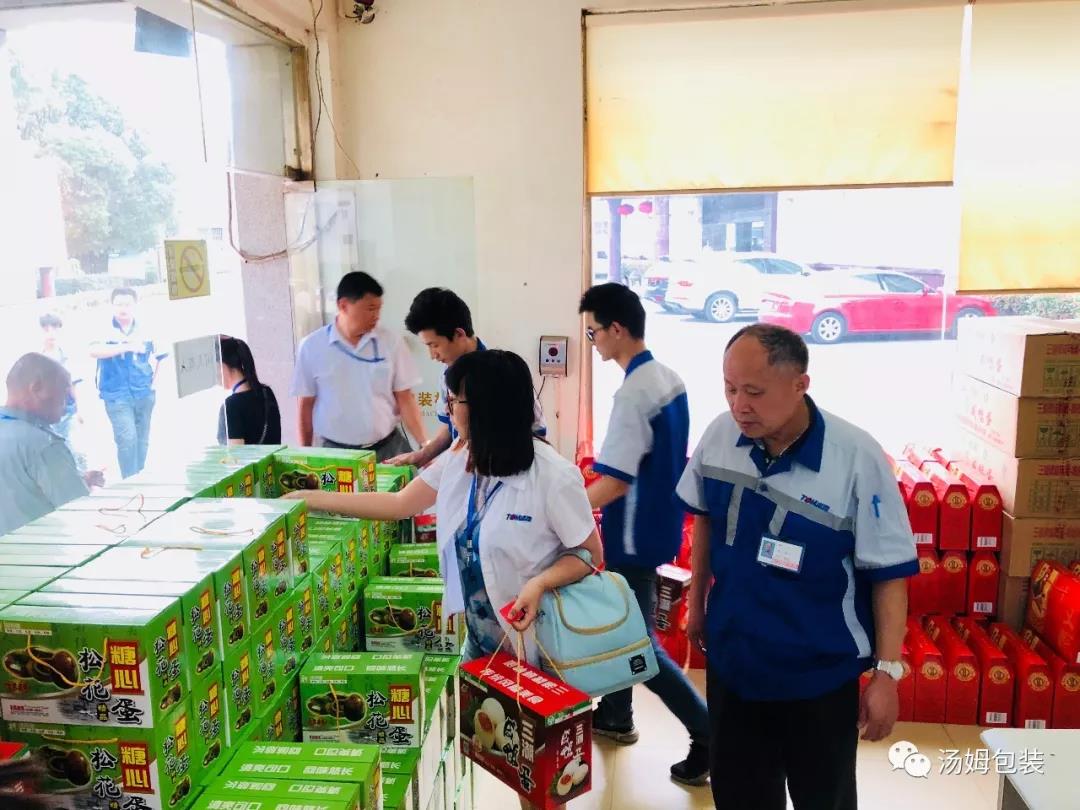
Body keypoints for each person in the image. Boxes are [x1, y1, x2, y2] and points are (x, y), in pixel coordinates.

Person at [676, 324, 917, 810]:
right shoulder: (721, 436)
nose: (739, 405)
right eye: (729, 388)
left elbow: (889, 573)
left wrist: (886, 674)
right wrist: (697, 604)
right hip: (735, 664)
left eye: (754, 392)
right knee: (740, 797)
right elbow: (705, 521)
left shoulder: (855, 458)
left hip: (818, 676)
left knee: (822, 798)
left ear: (799, 384)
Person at [285, 349, 603, 668]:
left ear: (485, 408)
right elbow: (399, 504)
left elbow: (590, 553)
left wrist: (539, 584)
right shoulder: (463, 456)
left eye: (453, 401)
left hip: (536, 643)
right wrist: (312, 499)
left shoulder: (554, 477)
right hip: (480, 637)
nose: (447, 410)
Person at [578, 283, 710, 786]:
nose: (593, 341)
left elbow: (614, 481)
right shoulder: (667, 378)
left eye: (593, 332)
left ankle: (708, 732)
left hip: (631, 533)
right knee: (623, 627)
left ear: (617, 329)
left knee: (637, 644)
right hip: (658, 524)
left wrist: (566, 511)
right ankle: (616, 715)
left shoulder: (633, 392)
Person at [389, 287, 546, 467]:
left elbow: (536, 433)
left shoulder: (503, 372)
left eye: (434, 345)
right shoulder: (448, 372)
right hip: (464, 468)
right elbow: (451, 427)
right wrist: (424, 455)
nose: (432, 355)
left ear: (459, 334)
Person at [290, 272, 428, 461]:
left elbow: (405, 398)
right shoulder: (312, 346)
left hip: (389, 449)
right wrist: (305, 455)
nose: (376, 316)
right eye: (370, 309)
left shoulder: (391, 342)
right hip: (334, 454)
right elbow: (305, 405)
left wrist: (425, 445)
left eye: (379, 309)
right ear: (343, 305)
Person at [0, 354, 103, 536]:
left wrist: (78, 478)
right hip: (39, 549)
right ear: (36, 388)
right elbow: (79, 511)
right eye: (64, 390)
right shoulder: (43, 444)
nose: (70, 400)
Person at [90, 287, 166, 478]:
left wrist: (154, 384)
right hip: (116, 394)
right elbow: (93, 351)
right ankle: (130, 481)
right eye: (119, 304)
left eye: (127, 304)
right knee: (127, 439)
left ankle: (138, 476)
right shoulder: (102, 328)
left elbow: (163, 357)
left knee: (142, 440)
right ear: (112, 305)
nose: (123, 308)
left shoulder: (147, 328)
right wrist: (126, 347)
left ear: (135, 305)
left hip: (144, 392)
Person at [217, 336, 281, 446]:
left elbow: (235, 455)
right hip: (273, 458)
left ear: (223, 367)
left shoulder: (231, 406)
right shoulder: (267, 393)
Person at [39, 312, 81, 442]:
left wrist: (81, 410)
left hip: (67, 412)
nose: (51, 334)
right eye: (46, 330)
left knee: (71, 447)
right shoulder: (35, 358)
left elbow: (74, 384)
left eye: (55, 329)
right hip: (42, 415)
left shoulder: (68, 356)